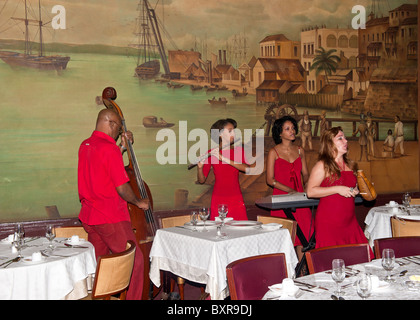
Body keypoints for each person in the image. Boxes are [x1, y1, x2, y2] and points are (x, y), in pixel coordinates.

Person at [78, 108, 149, 300]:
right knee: (134, 262)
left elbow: (104, 165)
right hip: (110, 216)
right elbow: (121, 186)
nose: (118, 133)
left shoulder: (85, 145)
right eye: (118, 128)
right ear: (110, 123)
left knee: (102, 265)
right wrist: (138, 201)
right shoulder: (108, 148)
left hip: (91, 216)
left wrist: (123, 148)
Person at [306, 127, 372, 257]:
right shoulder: (323, 165)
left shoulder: (351, 165)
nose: (345, 140)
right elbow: (310, 191)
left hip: (350, 221)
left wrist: (355, 191)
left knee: (358, 259)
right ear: (330, 144)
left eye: (345, 137)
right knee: (332, 262)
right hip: (329, 223)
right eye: (340, 138)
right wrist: (338, 189)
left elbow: (349, 187)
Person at [266, 116, 313, 261]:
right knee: (284, 238)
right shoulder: (274, 152)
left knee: (305, 237)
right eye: (287, 129)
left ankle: (303, 271)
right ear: (280, 133)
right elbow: (270, 180)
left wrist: (308, 186)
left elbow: (305, 174)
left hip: (300, 199)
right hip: (281, 199)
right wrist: (289, 190)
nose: (292, 131)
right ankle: (286, 273)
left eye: (293, 128)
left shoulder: (300, 150)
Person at [197, 118, 253, 220]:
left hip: (236, 198)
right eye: (230, 131)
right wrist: (200, 168)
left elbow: (247, 169)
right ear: (220, 134)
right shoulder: (211, 153)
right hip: (218, 198)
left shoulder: (238, 151)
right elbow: (201, 180)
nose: (234, 134)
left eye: (234, 131)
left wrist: (224, 158)